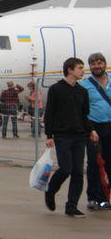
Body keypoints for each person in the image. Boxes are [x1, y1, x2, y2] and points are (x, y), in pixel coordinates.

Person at [43, 58, 93, 217]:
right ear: (70, 70)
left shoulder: (82, 91)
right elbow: (50, 113)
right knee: (66, 168)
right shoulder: (56, 89)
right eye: (79, 68)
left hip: (79, 136)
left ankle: (71, 205)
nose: (82, 71)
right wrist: (49, 135)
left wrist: (91, 130)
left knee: (78, 171)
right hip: (62, 135)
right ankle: (51, 190)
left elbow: (84, 115)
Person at [80, 53, 111, 211]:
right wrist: (89, 129)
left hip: (110, 126)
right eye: (93, 64)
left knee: (109, 162)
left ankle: (105, 197)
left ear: (104, 64)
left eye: (99, 63)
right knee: (94, 162)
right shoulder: (85, 85)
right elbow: (81, 109)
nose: (97, 66)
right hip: (94, 128)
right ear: (89, 67)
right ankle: (93, 197)